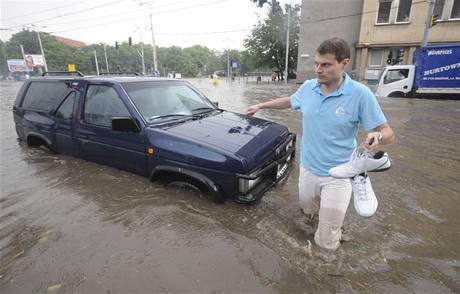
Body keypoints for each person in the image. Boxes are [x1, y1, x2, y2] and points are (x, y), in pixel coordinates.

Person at [246, 37, 395, 250]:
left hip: (339, 175)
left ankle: (326, 272)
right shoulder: (309, 87)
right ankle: (324, 225)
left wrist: (378, 137)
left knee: (326, 241)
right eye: (316, 64)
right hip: (308, 169)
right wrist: (260, 104)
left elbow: (388, 132)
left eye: (325, 65)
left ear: (344, 63)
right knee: (308, 216)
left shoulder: (360, 94)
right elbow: (290, 101)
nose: (318, 70)